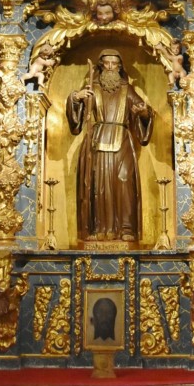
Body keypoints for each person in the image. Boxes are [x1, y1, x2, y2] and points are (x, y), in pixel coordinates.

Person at [67, 51, 153, 243]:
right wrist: (75, 97)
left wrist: (144, 112)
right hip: (96, 140)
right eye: (107, 63)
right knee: (98, 184)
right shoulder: (92, 86)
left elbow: (143, 110)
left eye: (115, 63)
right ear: (101, 66)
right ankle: (98, 228)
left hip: (122, 140)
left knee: (124, 182)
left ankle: (126, 228)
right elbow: (77, 118)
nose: (111, 67)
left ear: (120, 66)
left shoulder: (126, 89)